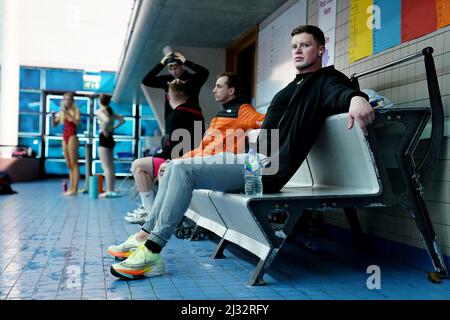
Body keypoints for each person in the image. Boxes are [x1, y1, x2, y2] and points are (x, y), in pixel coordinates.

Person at [108, 25, 375, 280]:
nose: (297, 50)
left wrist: (356, 98)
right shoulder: (295, 84)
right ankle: (144, 236)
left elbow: (340, 91)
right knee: (176, 166)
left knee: (184, 170)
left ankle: (152, 252)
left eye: (305, 45)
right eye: (294, 45)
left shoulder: (325, 80)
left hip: (266, 170)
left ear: (320, 49)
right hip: (252, 161)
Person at [124, 72, 265, 224]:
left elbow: (264, 121)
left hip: (218, 165)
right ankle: (157, 218)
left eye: (218, 86)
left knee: (169, 171)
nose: (213, 90)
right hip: (204, 161)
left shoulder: (242, 110)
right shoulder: (219, 115)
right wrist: (175, 160)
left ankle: (157, 219)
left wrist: (252, 137)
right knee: (167, 168)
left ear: (231, 91)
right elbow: (202, 149)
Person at [124, 78, 206, 223]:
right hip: (193, 159)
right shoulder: (198, 113)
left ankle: (149, 210)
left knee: (137, 165)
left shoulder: (174, 115)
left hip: (175, 161)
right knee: (147, 165)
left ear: (168, 96)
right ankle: (151, 209)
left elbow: (171, 148)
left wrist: (157, 155)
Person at [141, 50, 209, 132]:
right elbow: (146, 80)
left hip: (193, 120)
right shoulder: (167, 80)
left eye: (176, 68)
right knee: (175, 144)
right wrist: (161, 64)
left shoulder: (192, 79)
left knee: (197, 143)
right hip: (173, 122)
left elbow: (205, 73)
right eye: (170, 69)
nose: (173, 72)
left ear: (182, 66)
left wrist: (186, 62)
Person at [95, 94, 125, 198]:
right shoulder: (111, 111)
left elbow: (106, 121)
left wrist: (105, 130)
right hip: (110, 138)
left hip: (104, 138)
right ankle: (111, 189)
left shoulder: (99, 111)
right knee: (111, 166)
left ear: (100, 101)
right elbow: (122, 120)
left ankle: (109, 191)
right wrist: (112, 128)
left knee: (106, 167)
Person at [51, 92, 81, 196]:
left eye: (69, 99)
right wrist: (52, 116)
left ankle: (75, 189)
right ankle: (71, 188)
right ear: (63, 101)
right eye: (65, 99)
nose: (67, 101)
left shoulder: (75, 110)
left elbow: (77, 123)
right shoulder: (62, 111)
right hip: (64, 137)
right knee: (69, 165)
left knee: (74, 164)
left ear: (72, 101)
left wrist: (67, 113)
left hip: (72, 136)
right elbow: (55, 124)